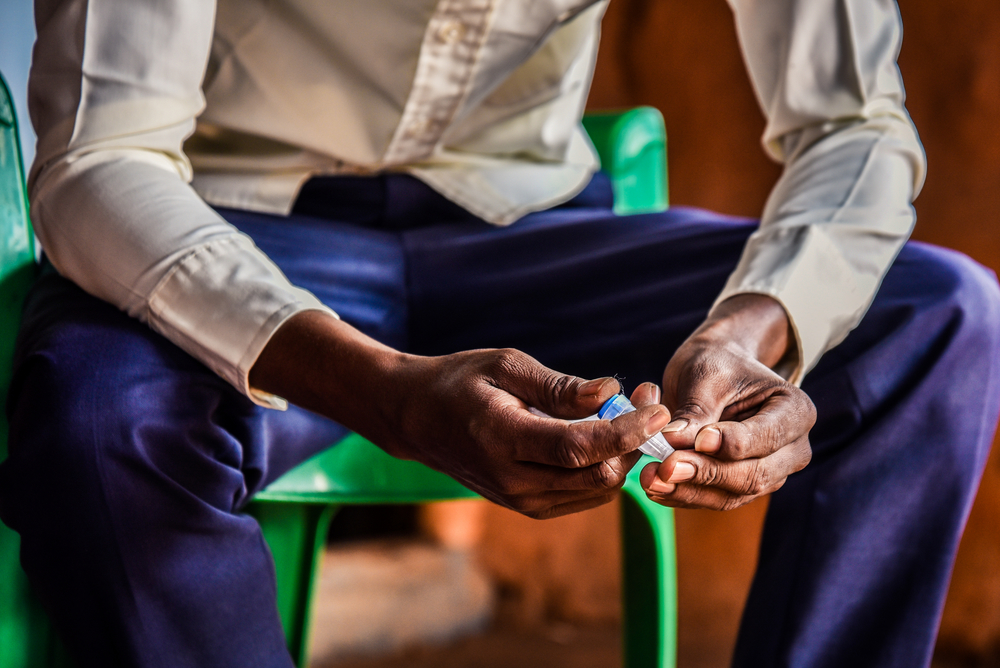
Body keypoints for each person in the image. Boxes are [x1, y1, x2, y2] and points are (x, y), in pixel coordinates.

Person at [1, 0, 998, 666]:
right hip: (230, 227)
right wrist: (380, 387)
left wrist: (751, 325)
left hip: (538, 230)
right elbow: (98, 157)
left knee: (936, 315)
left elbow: (855, 125)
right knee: (102, 416)